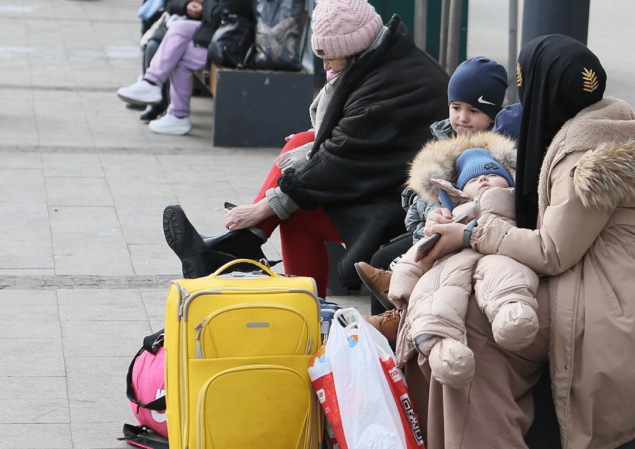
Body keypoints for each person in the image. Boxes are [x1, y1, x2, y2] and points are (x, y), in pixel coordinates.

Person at [411, 34, 635, 449]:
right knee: (458, 312)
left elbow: (552, 251)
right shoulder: (600, 123)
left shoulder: (588, 159)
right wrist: (471, 208)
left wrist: (473, 233)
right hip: (609, 287)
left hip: (612, 307)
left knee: (470, 327)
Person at [161, 0, 450, 296]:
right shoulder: (389, 56)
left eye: (329, 57)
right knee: (300, 144)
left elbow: (337, 162)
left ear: (355, 49)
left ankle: (306, 307)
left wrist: (263, 208)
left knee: (295, 213)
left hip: (403, 202)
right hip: (388, 175)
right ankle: (244, 242)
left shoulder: (381, 94)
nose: (324, 65)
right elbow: (347, 146)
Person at [355, 56, 513, 314]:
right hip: (431, 223)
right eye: (456, 107)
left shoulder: (498, 147)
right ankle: (386, 335)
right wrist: (428, 213)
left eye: (474, 111)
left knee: (389, 263)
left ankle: (397, 324)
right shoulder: (442, 137)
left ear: (492, 115)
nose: (462, 118)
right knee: (381, 258)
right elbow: (418, 194)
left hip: (468, 229)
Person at [385, 136, 540, 392]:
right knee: (435, 293)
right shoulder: (452, 214)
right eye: (472, 179)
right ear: (457, 191)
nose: (483, 179)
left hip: (498, 251)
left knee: (508, 274)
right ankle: (444, 349)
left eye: (492, 174)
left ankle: (512, 313)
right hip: (453, 260)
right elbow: (422, 251)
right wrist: (406, 276)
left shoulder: (515, 203)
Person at [117, 0, 251, 134]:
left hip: (233, 45)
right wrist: (186, 4)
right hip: (214, 33)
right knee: (179, 28)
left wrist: (203, 4)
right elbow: (170, 3)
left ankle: (177, 113)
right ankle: (152, 84)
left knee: (179, 52)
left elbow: (225, 14)